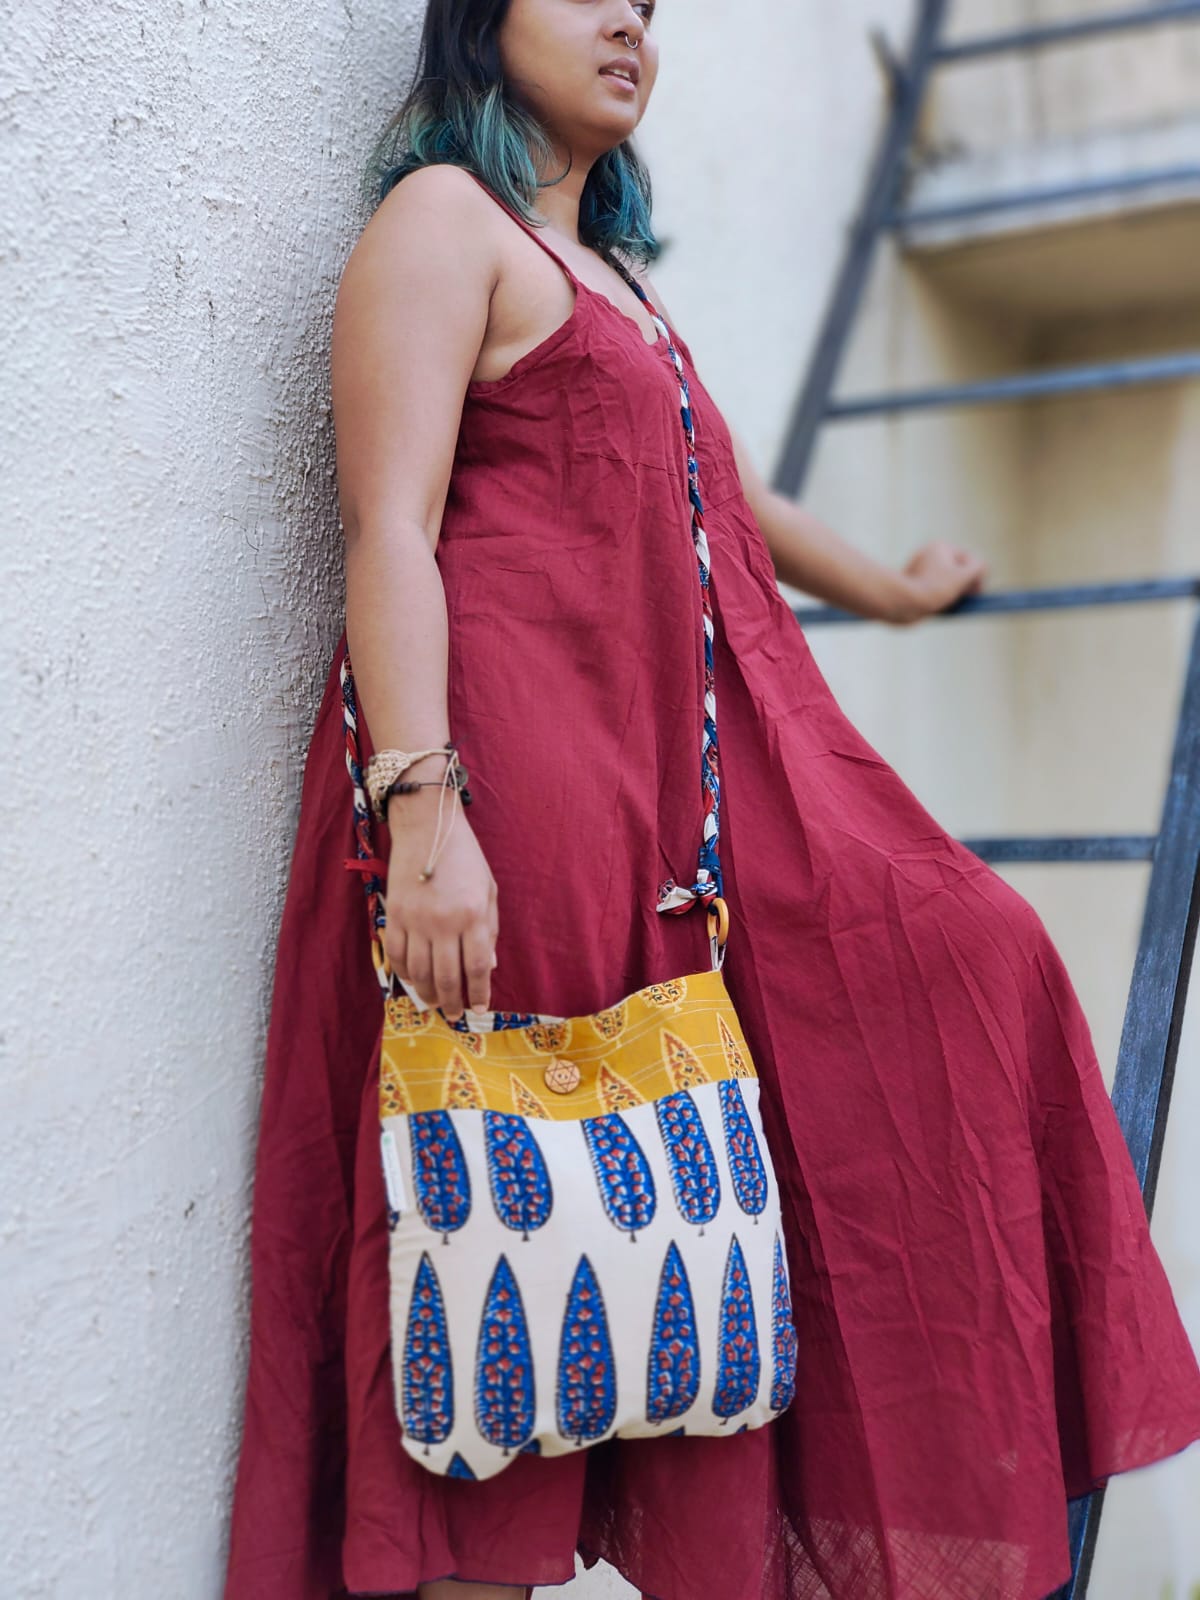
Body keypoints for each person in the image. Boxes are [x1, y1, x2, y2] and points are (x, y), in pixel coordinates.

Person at [222, 2, 1200, 1597]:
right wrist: (425, 815)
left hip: (645, 818)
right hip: (507, 805)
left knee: (916, 993)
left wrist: (888, 589)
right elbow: (387, 530)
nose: (631, 20)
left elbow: (722, 491)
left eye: (656, 8)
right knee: (501, 1255)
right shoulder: (437, 224)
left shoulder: (609, 280)